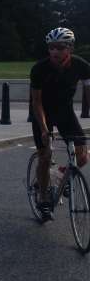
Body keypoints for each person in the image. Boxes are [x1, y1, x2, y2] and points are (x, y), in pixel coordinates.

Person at [31, 27, 90, 220]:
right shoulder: (40, 69)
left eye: (60, 47)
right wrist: (44, 129)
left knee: (82, 157)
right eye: (51, 47)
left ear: (70, 48)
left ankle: (62, 176)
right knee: (45, 155)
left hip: (65, 113)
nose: (54, 52)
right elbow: (37, 101)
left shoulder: (81, 66)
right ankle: (42, 196)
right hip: (43, 114)